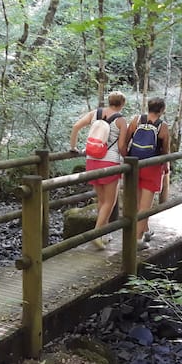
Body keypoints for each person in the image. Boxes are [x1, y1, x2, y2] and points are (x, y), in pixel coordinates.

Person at [69, 91, 128, 250]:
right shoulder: (121, 121)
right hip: (110, 162)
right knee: (110, 201)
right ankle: (96, 234)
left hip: (92, 160)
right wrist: (128, 158)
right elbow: (121, 146)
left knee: (102, 200)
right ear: (122, 104)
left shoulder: (95, 113)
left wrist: (73, 147)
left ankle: (104, 234)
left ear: (109, 101)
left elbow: (76, 126)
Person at [126, 97, 170, 250]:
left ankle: (144, 230)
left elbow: (126, 140)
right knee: (145, 206)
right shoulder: (163, 126)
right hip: (152, 166)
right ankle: (137, 240)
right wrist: (166, 166)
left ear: (148, 107)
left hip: (134, 164)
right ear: (162, 110)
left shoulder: (136, 120)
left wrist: (125, 159)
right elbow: (165, 150)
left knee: (138, 203)